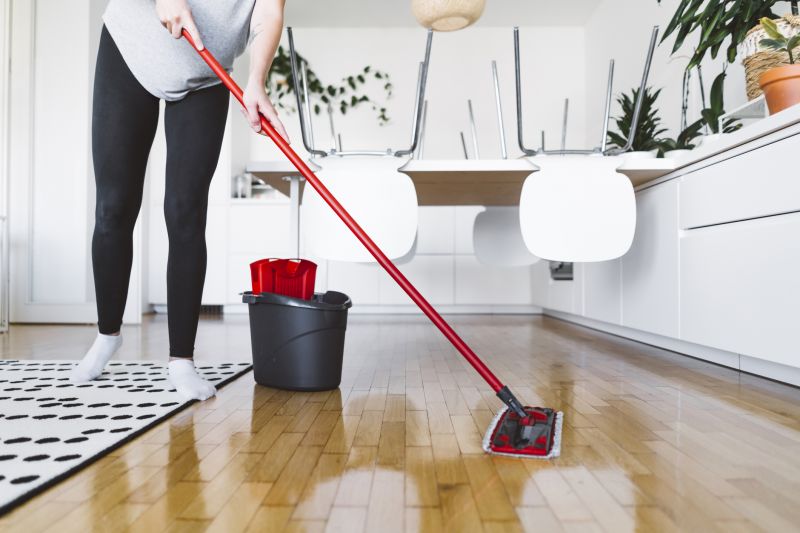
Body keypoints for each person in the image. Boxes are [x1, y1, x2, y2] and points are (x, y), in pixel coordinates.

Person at [70, 0, 288, 400]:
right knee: (114, 206)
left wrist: (256, 78)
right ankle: (107, 334)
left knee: (186, 212)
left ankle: (181, 361)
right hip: (131, 47)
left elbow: (268, 14)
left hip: (206, 73)